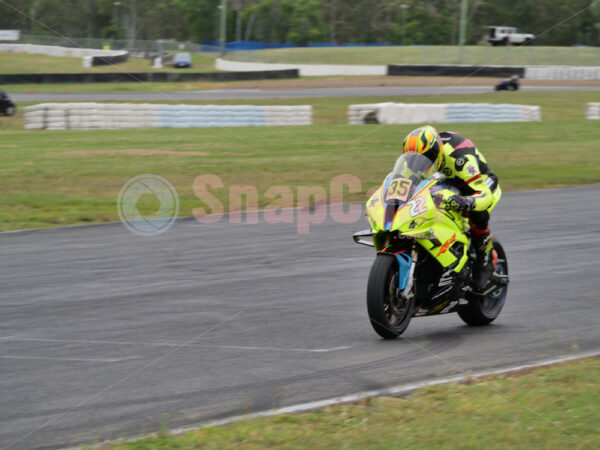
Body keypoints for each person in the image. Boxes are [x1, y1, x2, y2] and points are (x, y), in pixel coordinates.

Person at [402, 125, 502, 290]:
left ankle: (485, 261)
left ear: (437, 151)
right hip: (447, 179)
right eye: (415, 159)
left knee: (476, 212)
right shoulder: (413, 162)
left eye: (427, 157)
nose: (421, 163)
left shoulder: (459, 158)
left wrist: (466, 202)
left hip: (479, 180)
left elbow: (483, 194)